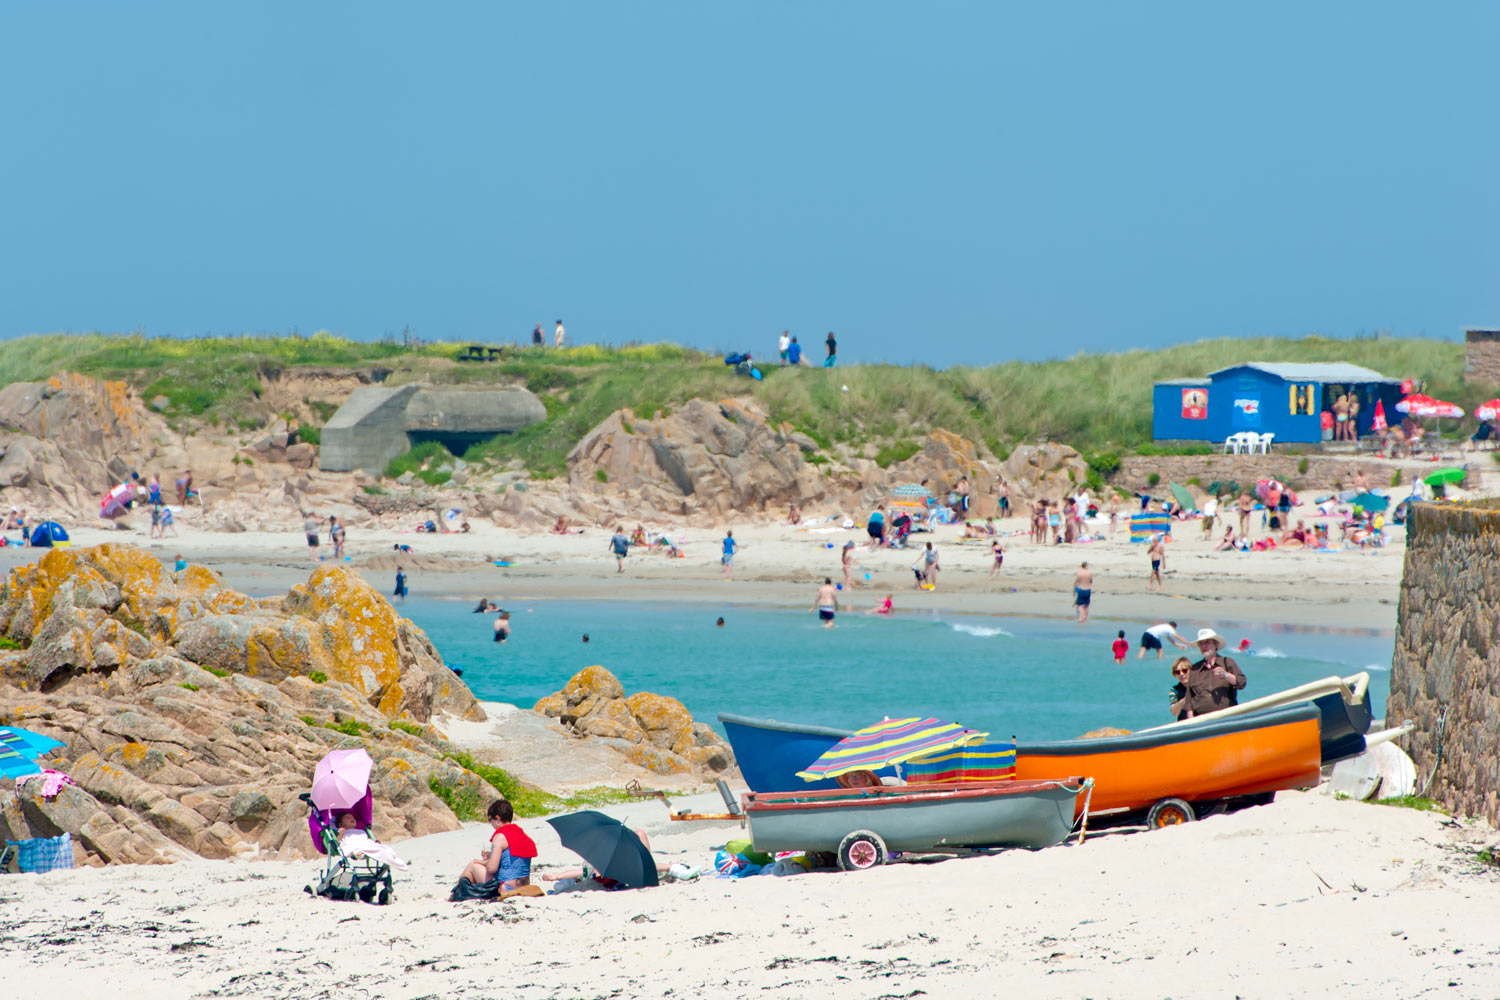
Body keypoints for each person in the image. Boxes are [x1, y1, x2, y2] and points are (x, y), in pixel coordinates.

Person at [457, 798, 539, 896]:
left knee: (473, 865)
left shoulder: (500, 837)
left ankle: (454, 894)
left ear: (498, 818)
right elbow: (512, 860)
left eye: (490, 820)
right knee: (477, 865)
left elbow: (492, 869)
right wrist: (491, 856)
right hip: (524, 885)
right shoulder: (521, 835)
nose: (490, 823)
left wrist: (482, 862)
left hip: (505, 887)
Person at [1182, 628, 1247, 716]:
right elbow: (1189, 700)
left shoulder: (1227, 662)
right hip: (1201, 720)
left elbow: (1242, 683)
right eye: (1201, 643)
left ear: (1215, 644)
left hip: (1226, 717)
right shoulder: (1194, 669)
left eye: (1207, 642)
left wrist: (1226, 675)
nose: (1204, 646)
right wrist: (1191, 722)